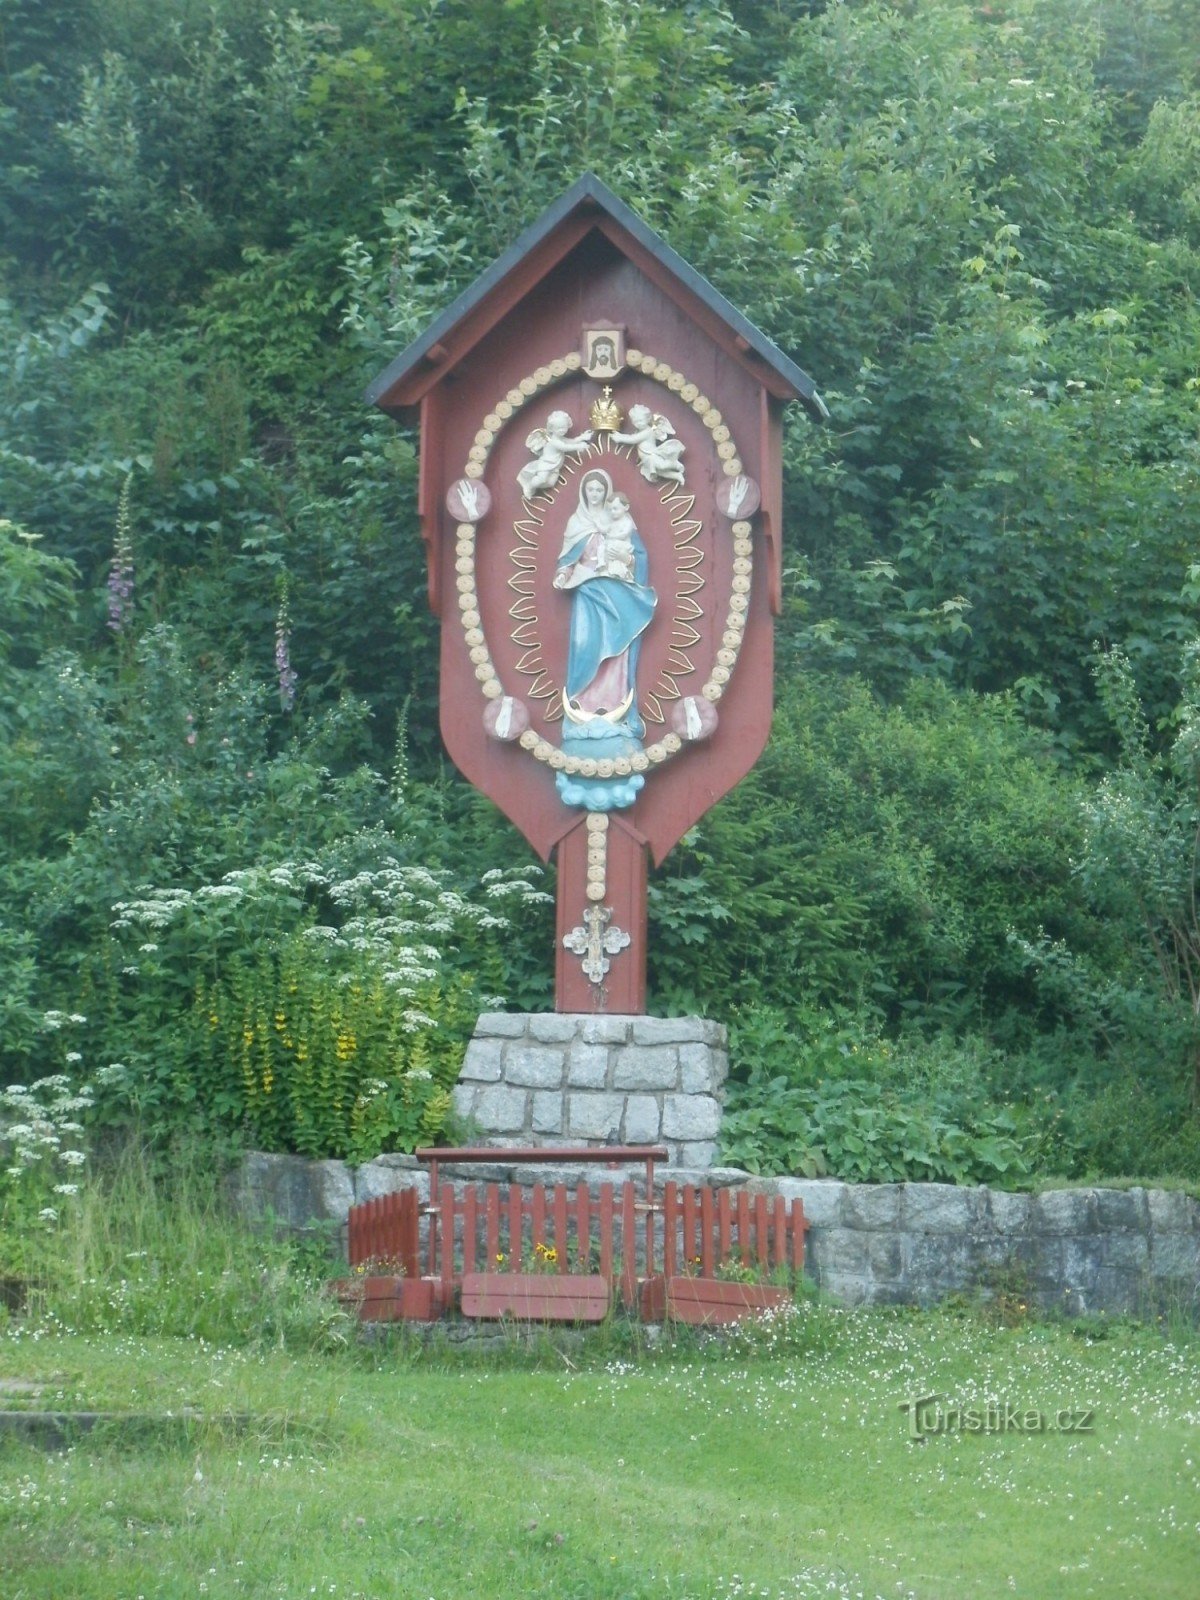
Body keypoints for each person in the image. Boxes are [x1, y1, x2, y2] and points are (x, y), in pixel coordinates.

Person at [552, 470, 656, 736]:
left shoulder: (618, 518)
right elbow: (568, 559)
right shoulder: (577, 522)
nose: (595, 494)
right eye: (591, 490)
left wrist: (627, 558)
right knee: (583, 643)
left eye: (600, 490)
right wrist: (563, 574)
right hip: (586, 588)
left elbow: (639, 556)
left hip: (615, 588)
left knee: (617, 647)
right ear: (584, 492)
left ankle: (613, 704)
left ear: (606, 493)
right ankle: (580, 703)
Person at [517, 410, 594, 499]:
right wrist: (579, 446)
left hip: (555, 466)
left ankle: (534, 486)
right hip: (546, 464)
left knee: (550, 483)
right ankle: (529, 486)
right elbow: (565, 447)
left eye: (564, 427)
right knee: (542, 478)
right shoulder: (553, 441)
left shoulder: (560, 439)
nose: (562, 430)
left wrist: (582, 438)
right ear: (551, 429)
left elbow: (571, 441)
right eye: (558, 428)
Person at [611, 404, 686, 486]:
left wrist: (620, 438)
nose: (638, 424)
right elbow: (632, 437)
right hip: (646, 458)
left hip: (652, 455)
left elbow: (633, 439)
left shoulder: (648, 431)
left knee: (661, 466)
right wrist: (620, 436)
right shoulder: (639, 432)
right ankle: (676, 476)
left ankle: (675, 465)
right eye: (635, 421)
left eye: (640, 420)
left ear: (647, 419)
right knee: (660, 472)